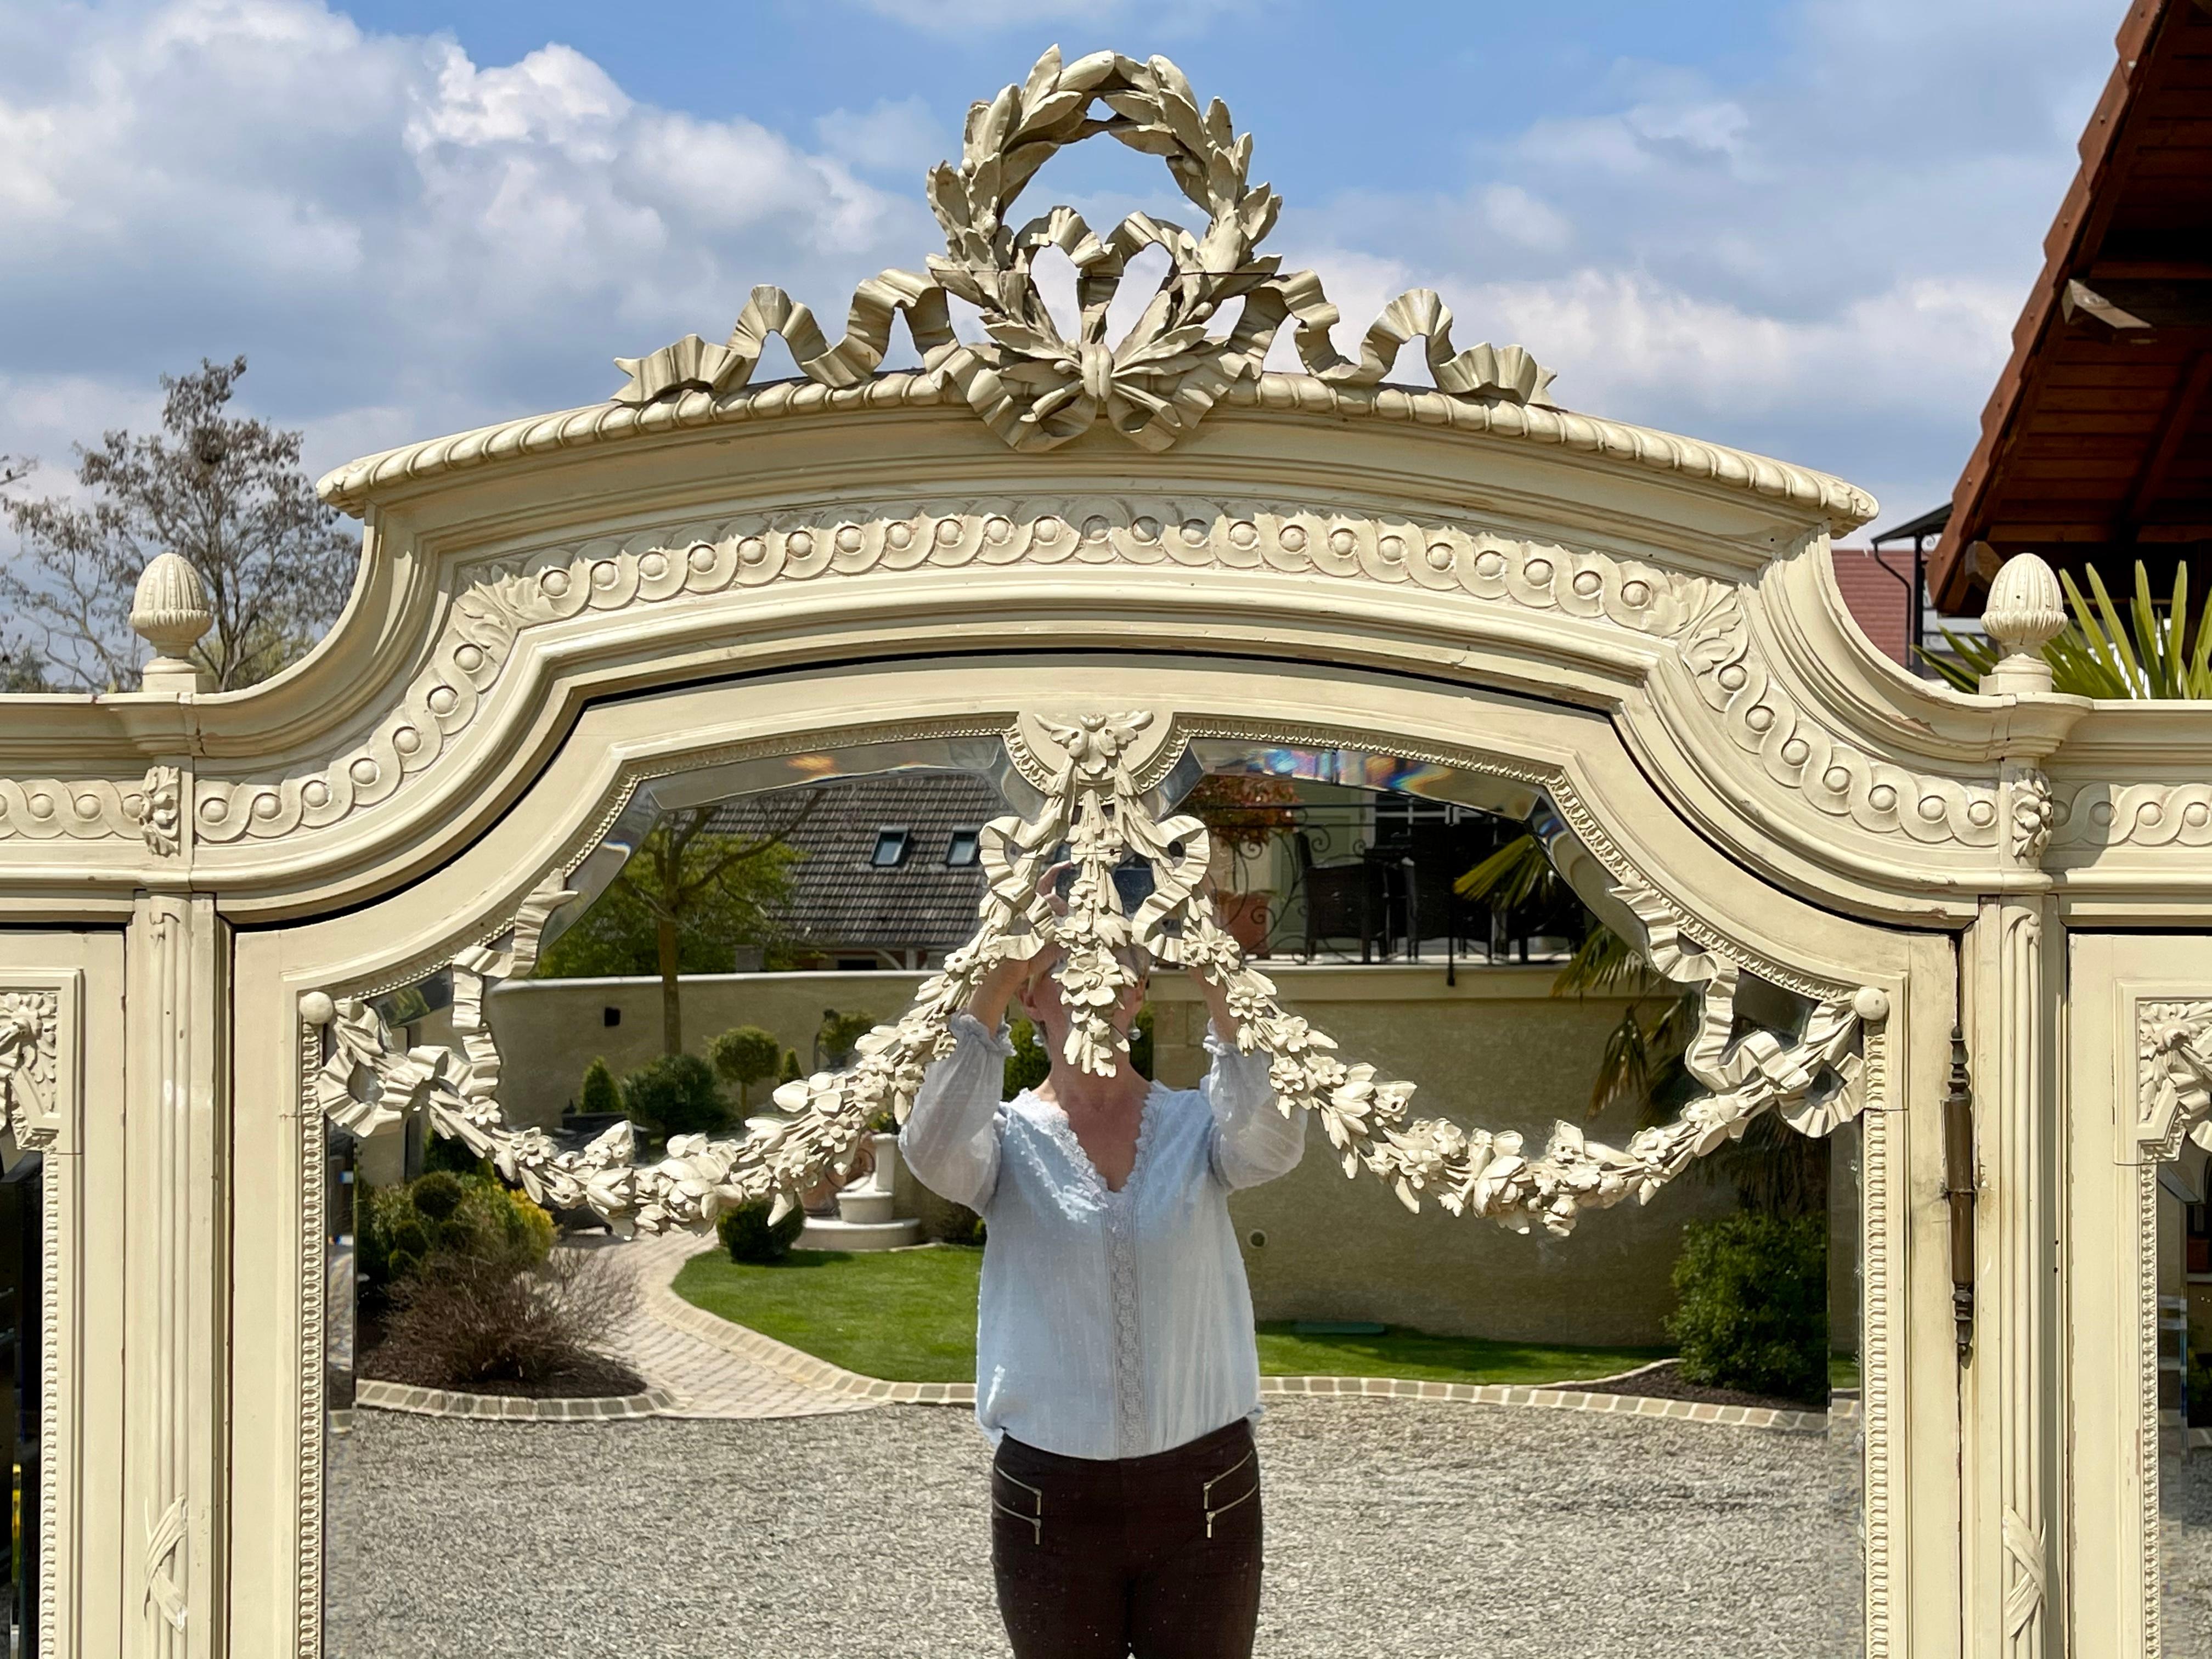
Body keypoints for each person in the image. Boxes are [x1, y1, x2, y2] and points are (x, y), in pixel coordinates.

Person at [900, 878, 1308, 1659]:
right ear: (1031, 995)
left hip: (1207, 1492)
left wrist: (1216, 964)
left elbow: (1274, 1140)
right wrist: (997, 963)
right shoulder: (1005, 1142)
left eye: (1119, 961)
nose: (1097, 981)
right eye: (1065, 962)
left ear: (1143, 990)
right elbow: (932, 1147)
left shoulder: (1199, 1130)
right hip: (1050, 1500)